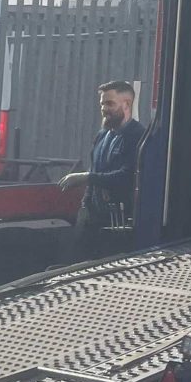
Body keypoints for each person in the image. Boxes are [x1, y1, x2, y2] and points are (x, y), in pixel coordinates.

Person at [61, 81, 148, 259]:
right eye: (102, 104)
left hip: (118, 224)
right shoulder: (103, 135)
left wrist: (86, 177)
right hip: (93, 219)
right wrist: (85, 206)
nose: (103, 109)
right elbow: (95, 168)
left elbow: (127, 177)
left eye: (109, 104)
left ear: (126, 104)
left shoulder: (137, 136)